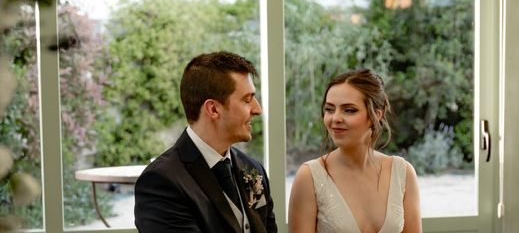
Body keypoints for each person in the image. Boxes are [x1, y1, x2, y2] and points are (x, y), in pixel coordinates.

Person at [135, 51, 277, 233]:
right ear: (213, 109)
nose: (258, 109)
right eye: (247, 100)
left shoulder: (253, 170)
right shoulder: (161, 182)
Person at [288, 69, 422, 233]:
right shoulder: (309, 177)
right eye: (329, 109)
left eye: (349, 110)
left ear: (376, 115)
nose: (335, 118)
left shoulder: (403, 172)